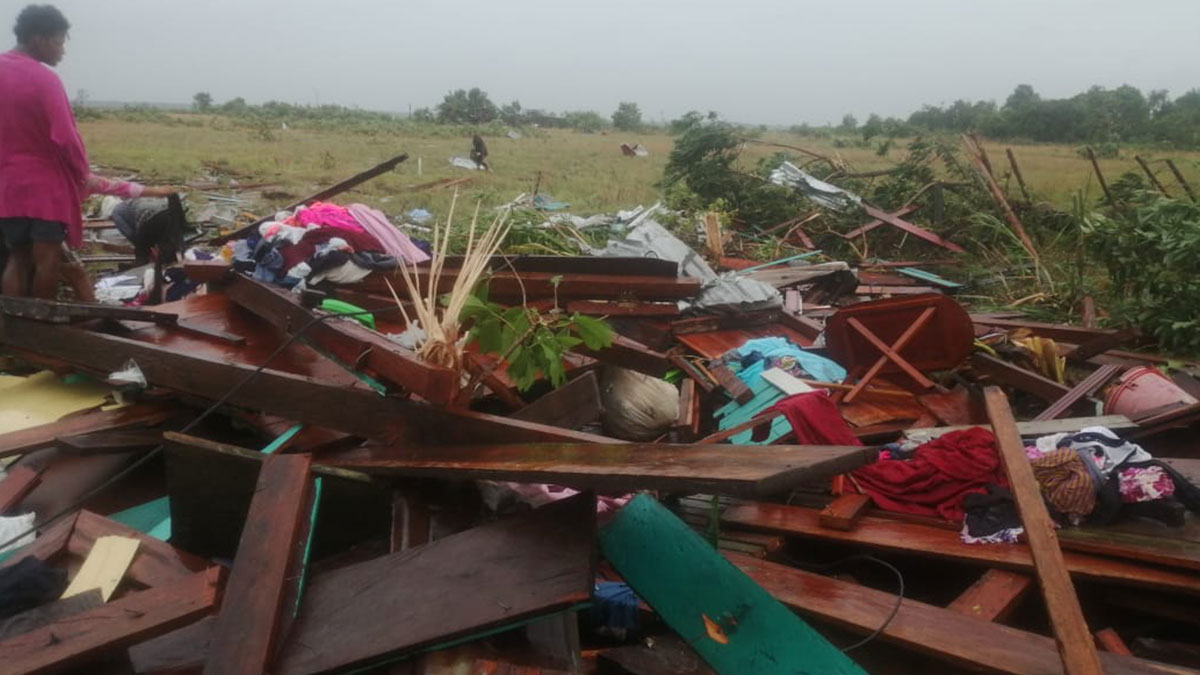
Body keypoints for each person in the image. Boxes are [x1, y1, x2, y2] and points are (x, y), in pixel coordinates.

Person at [0, 5, 179, 298]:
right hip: (45, 190)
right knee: (48, 262)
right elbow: (66, 138)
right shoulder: (44, 80)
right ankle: (43, 326)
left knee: (18, 257)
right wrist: (81, 173)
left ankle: (14, 327)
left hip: (7, 188)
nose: (62, 51)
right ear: (39, 39)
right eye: (59, 42)